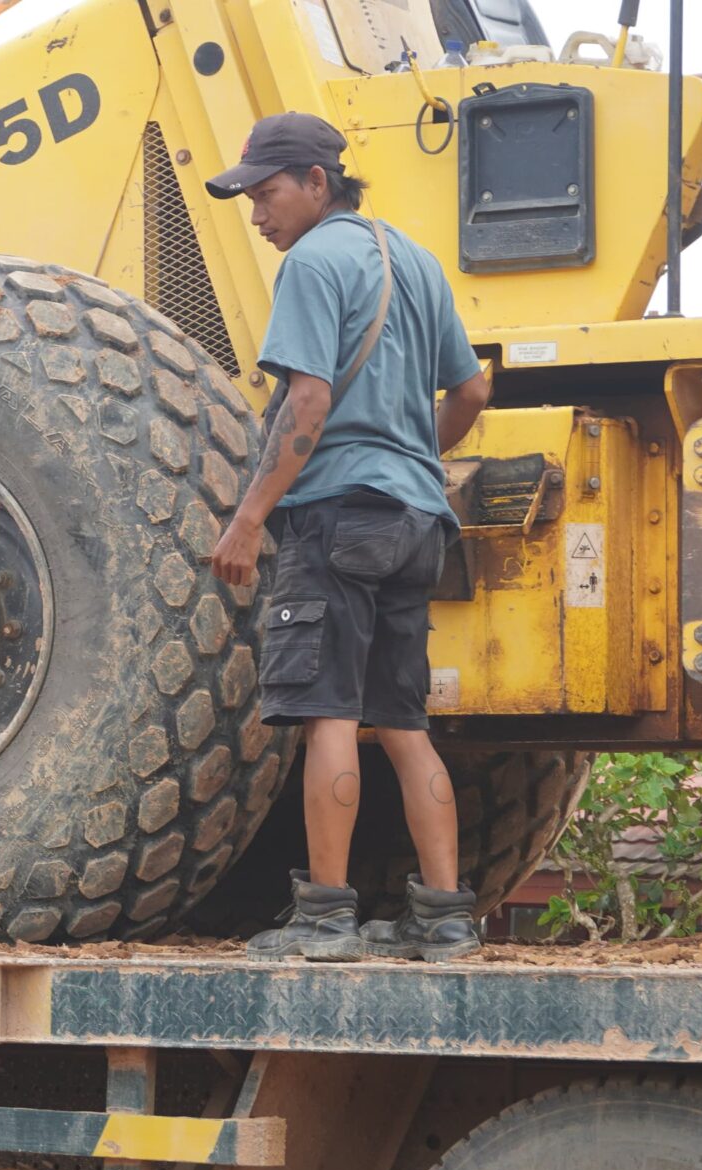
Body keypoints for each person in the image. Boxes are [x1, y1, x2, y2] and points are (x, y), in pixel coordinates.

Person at [203, 112, 493, 963]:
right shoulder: (418, 261)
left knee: (327, 714)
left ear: (316, 183)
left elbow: (308, 403)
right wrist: (408, 457)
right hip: (416, 519)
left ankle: (325, 920)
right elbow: (472, 395)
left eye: (266, 193)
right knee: (402, 722)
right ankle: (445, 920)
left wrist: (249, 518)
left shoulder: (313, 264)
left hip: (336, 516)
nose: (258, 215)